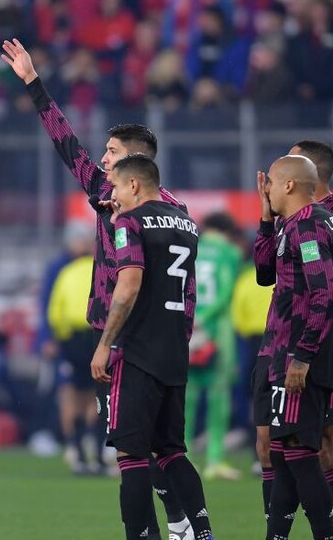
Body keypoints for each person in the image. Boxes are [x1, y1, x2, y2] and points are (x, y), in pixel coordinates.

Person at [2, 37, 192, 540]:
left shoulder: (139, 211)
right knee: (155, 449)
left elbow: (158, 281)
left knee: (137, 450)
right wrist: (34, 84)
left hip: (132, 338)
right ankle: (184, 527)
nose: (101, 159)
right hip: (142, 336)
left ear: (135, 164)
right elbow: (67, 145)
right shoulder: (161, 207)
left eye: (111, 153)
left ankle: (171, 527)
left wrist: (114, 340)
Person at [89, 155, 213, 540]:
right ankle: (203, 533)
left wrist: (105, 344)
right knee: (172, 451)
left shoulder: (130, 222)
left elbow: (128, 287)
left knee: (130, 455)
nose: (113, 194)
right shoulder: (186, 223)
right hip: (174, 349)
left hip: (137, 351)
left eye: (116, 186)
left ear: (134, 184)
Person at [251, 140, 333, 532]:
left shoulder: (309, 226)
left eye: (272, 184)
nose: (267, 190)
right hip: (286, 350)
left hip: (301, 351)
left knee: (298, 452)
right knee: (281, 449)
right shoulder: (297, 223)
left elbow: (323, 295)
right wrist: (265, 219)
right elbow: (265, 274)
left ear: (290, 185)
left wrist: (303, 356)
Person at [186, 212, 242, 480]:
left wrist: (193, 318)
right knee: (218, 395)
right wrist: (206, 318)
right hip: (217, 331)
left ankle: (183, 457)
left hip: (187, 328)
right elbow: (226, 291)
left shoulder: (190, 247)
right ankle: (214, 459)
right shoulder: (231, 253)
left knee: (187, 396)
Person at [47, 223, 101, 474]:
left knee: (74, 395)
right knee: (97, 395)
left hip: (74, 339)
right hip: (97, 336)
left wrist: (62, 339)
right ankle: (97, 453)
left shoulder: (66, 272)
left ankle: (78, 452)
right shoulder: (102, 270)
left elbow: (55, 312)